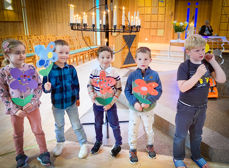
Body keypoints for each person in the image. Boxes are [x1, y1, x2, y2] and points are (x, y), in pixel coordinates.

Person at [173, 34, 226, 168]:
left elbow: (222, 79)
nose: (201, 52)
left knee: (197, 135)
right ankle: (178, 158)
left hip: (202, 107)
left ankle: (196, 155)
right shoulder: (184, 66)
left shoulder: (207, 64)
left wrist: (213, 61)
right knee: (180, 135)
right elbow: (183, 87)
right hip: (185, 108)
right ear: (188, 52)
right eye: (197, 50)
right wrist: (197, 75)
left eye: (203, 49)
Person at [0, 39, 51, 167]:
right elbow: (3, 93)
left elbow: (38, 86)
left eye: (23, 52)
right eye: (17, 53)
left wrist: (33, 102)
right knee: (17, 133)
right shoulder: (4, 72)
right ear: (7, 55)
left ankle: (44, 152)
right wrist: (14, 109)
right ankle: (20, 155)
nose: (22, 55)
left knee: (38, 129)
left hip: (32, 107)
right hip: (16, 110)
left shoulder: (31, 68)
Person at [42, 40, 88, 159]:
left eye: (66, 52)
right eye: (60, 52)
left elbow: (76, 84)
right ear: (53, 53)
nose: (64, 55)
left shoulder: (71, 69)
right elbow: (45, 88)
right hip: (57, 104)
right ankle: (60, 142)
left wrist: (77, 98)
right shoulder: (48, 71)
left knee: (76, 124)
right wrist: (46, 88)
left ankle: (83, 143)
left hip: (71, 102)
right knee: (59, 125)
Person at [124, 47, 162, 163]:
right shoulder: (132, 75)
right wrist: (134, 102)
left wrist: (148, 101)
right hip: (134, 109)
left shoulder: (154, 75)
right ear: (136, 60)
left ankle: (149, 145)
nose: (143, 62)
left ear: (150, 60)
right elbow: (127, 91)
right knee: (133, 129)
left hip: (148, 109)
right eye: (140, 59)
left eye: (146, 59)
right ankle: (132, 149)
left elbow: (158, 91)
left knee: (149, 129)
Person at [87, 46, 122, 157]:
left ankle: (118, 143)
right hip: (97, 104)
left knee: (114, 124)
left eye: (108, 57)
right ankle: (98, 141)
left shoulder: (114, 73)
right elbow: (89, 85)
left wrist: (111, 103)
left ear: (112, 58)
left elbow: (119, 89)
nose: (105, 60)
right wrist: (92, 96)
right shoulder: (94, 71)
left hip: (110, 104)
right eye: (102, 57)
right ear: (98, 58)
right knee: (98, 123)